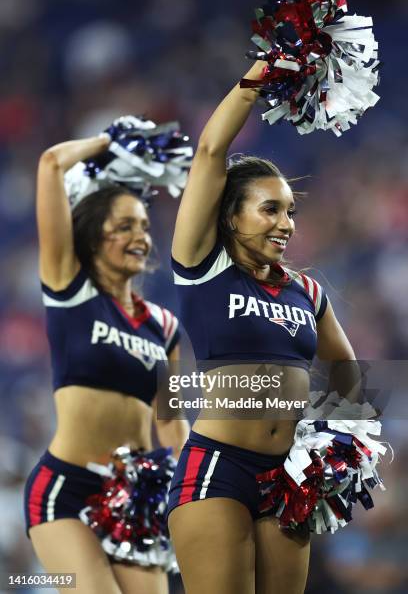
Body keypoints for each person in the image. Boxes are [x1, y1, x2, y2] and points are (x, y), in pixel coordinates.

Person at [167, 60, 356, 594]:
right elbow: (209, 152)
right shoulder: (203, 266)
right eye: (270, 209)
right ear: (231, 217)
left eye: (291, 212)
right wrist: (263, 72)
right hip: (218, 469)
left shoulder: (307, 291)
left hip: (287, 478)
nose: (286, 224)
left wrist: (338, 439)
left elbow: (346, 370)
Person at [24, 132, 189, 594]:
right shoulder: (70, 288)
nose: (140, 236)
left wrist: (198, 484)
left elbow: (172, 424)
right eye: (124, 226)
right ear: (95, 233)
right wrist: (110, 142)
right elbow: (51, 163)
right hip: (66, 491)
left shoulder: (165, 326)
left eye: (143, 226)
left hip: (136, 499)